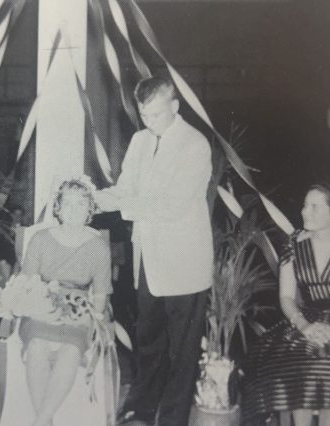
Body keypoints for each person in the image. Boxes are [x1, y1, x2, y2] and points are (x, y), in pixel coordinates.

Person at [95, 76, 213, 425]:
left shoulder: (195, 144)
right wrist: (94, 198)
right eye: (144, 115)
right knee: (148, 340)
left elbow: (172, 206)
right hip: (148, 259)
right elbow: (125, 188)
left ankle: (173, 418)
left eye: (156, 115)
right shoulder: (139, 140)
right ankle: (141, 409)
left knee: (183, 349)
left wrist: (123, 207)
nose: (149, 123)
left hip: (185, 262)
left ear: (174, 107)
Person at [0, 178, 118, 426]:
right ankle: (45, 422)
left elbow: (100, 299)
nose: (73, 210)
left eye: (81, 204)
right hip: (41, 305)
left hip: (80, 312)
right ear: (58, 208)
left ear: (90, 209)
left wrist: (89, 317)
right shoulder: (40, 239)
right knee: (38, 345)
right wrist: (42, 308)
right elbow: (27, 285)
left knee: (70, 351)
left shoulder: (99, 248)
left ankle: (40, 421)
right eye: (67, 203)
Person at [243, 183, 330, 425]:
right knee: (295, 360)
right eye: (304, 205)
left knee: (325, 365)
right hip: (305, 319)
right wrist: (304, 326)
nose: (305, 211)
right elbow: (286, 297)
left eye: (314, 206)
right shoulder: (294, 244)